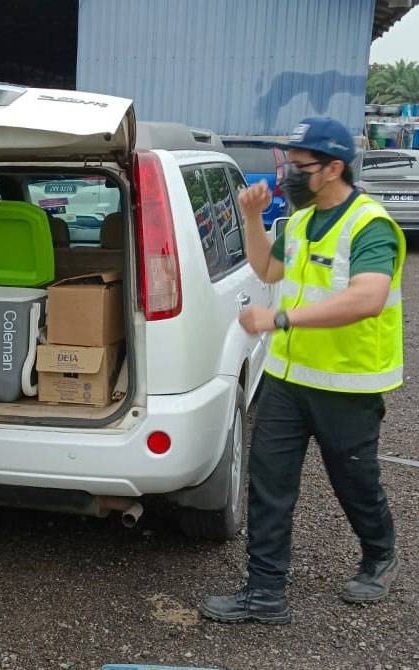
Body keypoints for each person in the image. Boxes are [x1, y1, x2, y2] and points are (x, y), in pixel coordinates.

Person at [200, 117, 405, 624]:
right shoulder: (298, 220)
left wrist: (280, 318)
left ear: (334, 167)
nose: (289, 174)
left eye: (300, 166)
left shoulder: (369, 224)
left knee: (354, 481)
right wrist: (250, 219)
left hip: (348, 383)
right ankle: (265, 593)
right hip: (290, 380)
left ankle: (379, 554)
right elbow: (269, 270)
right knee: (269, 482)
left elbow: (369, 297)